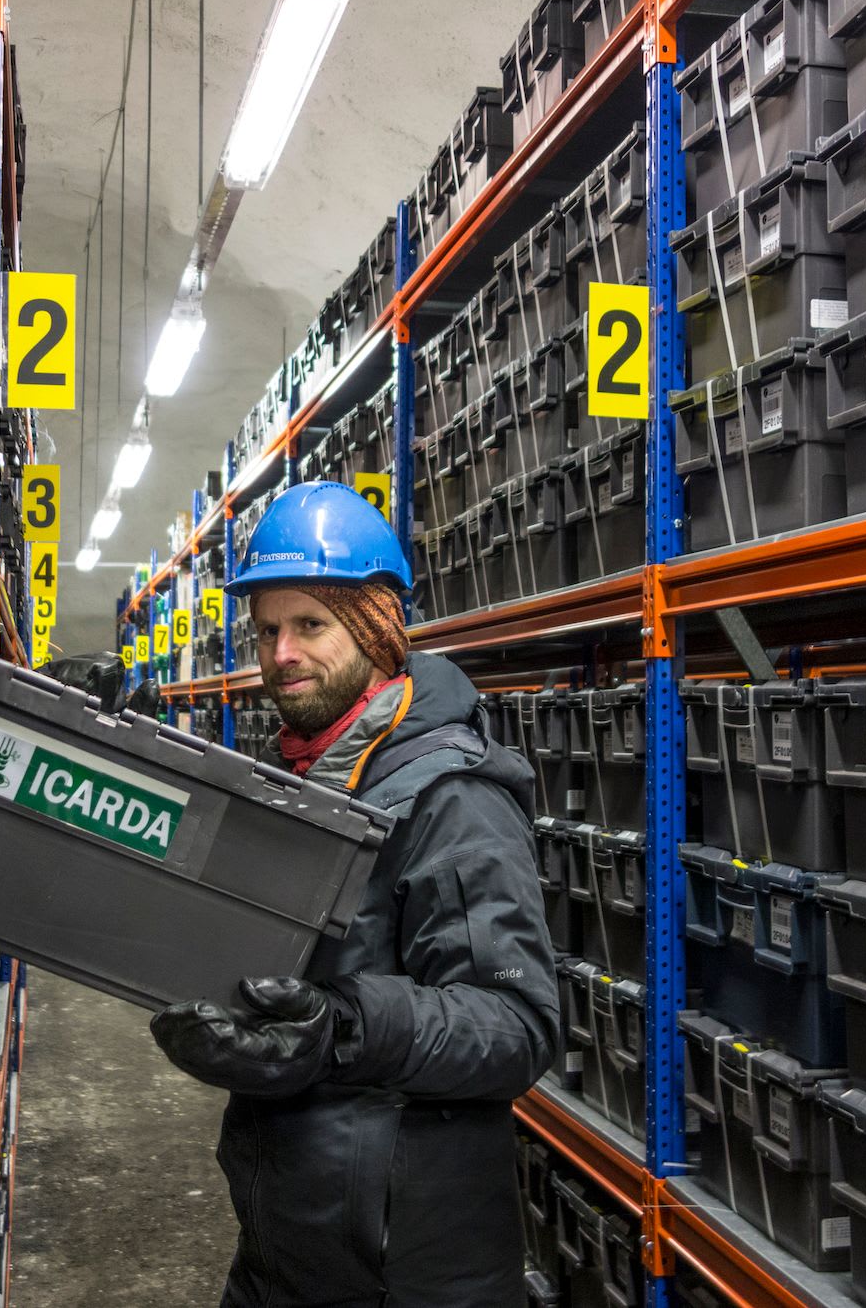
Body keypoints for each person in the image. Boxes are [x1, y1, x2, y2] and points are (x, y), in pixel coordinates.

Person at [147, 481, 559, 1308]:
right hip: (285, 1247)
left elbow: (516, 1026)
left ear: (374, 629)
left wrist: (340, 1027)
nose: (282, 652)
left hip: (407, 1275)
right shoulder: (303, 775)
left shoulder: (451, 795)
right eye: (268, 629)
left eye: (311, 625)